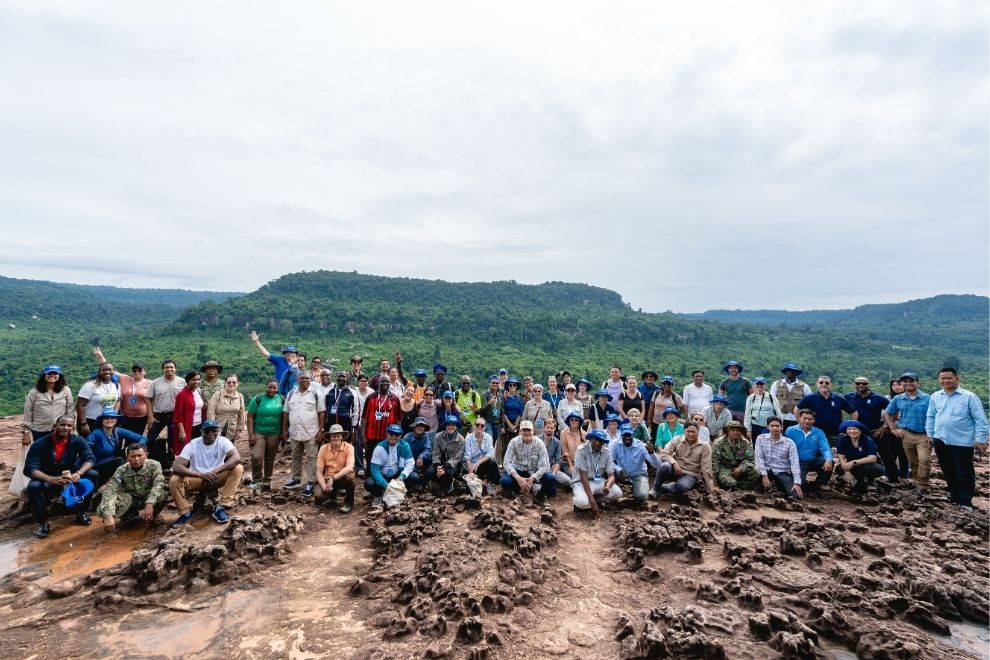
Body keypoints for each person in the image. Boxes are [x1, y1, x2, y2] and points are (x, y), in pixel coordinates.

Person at [24, 416, 99, 537]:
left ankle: (81, 512)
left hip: (70, 474)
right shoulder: (40, 444)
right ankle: (42, 523)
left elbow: (90, 459)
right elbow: (30, 468)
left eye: (69, 426)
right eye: (62, 425)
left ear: (73, 428)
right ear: (55, 427)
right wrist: (50, 479)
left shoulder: (78, 440)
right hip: (47, 475)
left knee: (92, 474)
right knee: (33, 487)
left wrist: (79, 473)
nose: (66, 428)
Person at [926, 367, 989, 512]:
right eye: (942, 378)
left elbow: (980, 420)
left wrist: (980, 439)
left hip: (962, 441)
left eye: (949, 378)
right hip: (940, 439)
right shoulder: (935, 396)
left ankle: (966, 501)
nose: (945, 381)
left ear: (957, 378)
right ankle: (954, 496)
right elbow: (931, 416)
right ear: (939, 379)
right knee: (947, 469)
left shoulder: (969, 397)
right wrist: (930, 434)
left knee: (964, 471)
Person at [170, 420, 243, 526]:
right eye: (207, 431)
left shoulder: (223, 441)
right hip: (197, 479)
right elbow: (177, 467)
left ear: (218, 431)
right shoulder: (193, 444)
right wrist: (200, 475)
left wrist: (215, 471)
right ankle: (185, 513)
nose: (211, 433)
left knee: (238, 468)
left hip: (216, 477)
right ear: (201, 432)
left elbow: (236, 458)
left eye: (214, 430)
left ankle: (221, 507)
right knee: (174, 479)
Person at [97, 444, 168, 532]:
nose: (136, 459)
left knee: (162, 495)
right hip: (130, 500)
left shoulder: (154, 465)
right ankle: (129, 516)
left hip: (147, 497)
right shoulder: (121, 470)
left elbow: (159, 484)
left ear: (146, 455)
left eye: (139, 455)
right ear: (127, 457)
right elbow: (110, 490)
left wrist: (150, 503)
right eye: (133, 456)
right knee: (105, 505)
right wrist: (108, 515)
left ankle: (153, 515)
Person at [281, 372, 326, 495]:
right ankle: (296, 479)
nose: (304, 380)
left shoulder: (316, 394)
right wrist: (284, 429)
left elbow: (322, 413)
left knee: (312, 457)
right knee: (295, 455)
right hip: (295, 432)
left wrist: (320, 431)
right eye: (302, 378)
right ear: (297, 380)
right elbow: (286, 412)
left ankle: (311, 482)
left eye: (307, 378)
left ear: (311, 380)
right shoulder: (291, 394)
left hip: (311, 432)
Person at [882, 371, 929, 487]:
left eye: (911, 381)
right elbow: (887, 413)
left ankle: (923, 485)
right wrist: (893, 428)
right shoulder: (898, 399)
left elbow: (935, 415)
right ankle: (919, 485)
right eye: (905, 381)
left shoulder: (928, 398)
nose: (908, 383)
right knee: (912, 462)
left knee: (924, 460)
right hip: (906, 434)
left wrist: (932, 434)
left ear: (918, 383)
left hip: (924, 434)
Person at [92, 348, 150, 435]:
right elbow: (109, 370)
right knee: (121, 436)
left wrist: (151, 417)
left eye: (139, 370)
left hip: (142, 418)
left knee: (136, 437)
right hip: (124, 416)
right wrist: (101, 357)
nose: (136, 372)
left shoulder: (150, 383)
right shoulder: (124, 378)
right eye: (134, 370)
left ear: (144, 371)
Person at [652, 422, 717, 496]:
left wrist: (710, 486)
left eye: (693, 432)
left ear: (698, 432)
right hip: (676, 469)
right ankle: (655, 488)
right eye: (688, 431)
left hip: (691, 474)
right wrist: (674, 463)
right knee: (664, 466)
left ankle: (667, 487)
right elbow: (664, 453)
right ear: (684, 431)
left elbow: (706, 467)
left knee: (682, 487)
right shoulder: (677, 439)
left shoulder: (705, 446)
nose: (691, 434)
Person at [87, 407, 146, 486]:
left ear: (116, 420)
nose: (109, 420)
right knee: (119, 460)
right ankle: (132, 481)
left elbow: (142, 438)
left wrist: (137, 447)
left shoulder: (118, 431)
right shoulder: (96, 434)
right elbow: (85, 451)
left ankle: (138, 475)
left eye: (112, 418)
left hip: (112, 460)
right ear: (101, 421)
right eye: (106, 418)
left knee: (133, 450)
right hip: (98, 466)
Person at [144, 359, 185, 469]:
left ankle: (170, 464)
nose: (169, 369)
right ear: (163, 369)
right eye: (166, 367)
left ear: (175, 369)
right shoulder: (155, 382)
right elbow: (148, 398)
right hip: (158, 415)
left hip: (175, 416)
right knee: (150, 439)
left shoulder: (182, 382)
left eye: (171, 367)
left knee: (173, 441)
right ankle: (148, 462)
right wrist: (150, 416)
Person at [500, 420, 556, 500]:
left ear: (533, 431)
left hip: (534, 471)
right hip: (518, 469)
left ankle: (540, 496)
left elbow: (545, 465)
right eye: (524, 430)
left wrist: (533, 477)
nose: (526, 432)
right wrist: (518, 478)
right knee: (504, 481)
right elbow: (506, 462)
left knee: (550, 478)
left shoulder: (539, 444)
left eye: (529, 430)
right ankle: (519, 489)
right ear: (520, 432)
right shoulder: (513, 442)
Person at [572, 429, 621, 514]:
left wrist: (607, 486)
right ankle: (579, 504)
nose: (598, 442)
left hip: (597, 480)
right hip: (581, 482)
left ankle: (596, 499)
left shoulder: (606, 452)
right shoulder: (581, 450)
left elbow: (611, 476)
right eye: (595, 439)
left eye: (600, 440)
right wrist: (592, 503)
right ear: (591, 439)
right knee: (582, 502)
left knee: (617, 493)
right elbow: (583, 477)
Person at [785, 409, 834, 494]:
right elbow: (785, 447)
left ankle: (821, 483)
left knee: (829, 462)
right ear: (799, 418)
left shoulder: (818, 432)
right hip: (798, 462)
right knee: (802, 484)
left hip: (813, 460)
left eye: (810, 419)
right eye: (805, 418)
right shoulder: (790, 430)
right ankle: (806, 485)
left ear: (814, 420)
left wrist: (829, 459)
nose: (807, 421)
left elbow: (825, 448)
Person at [365, 424, 415, 508]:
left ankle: (402, 492)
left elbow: (410, 463)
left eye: (397, 434)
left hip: (397, 475)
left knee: (414, 477)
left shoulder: (404, 445)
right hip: (383, 475)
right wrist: (385, 485)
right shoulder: (379, 448)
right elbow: (375, 469)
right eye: (391, 434)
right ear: (387, 434)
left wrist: (401, 477)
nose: (393, 436)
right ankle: (379, 494)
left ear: (400, 436)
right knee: (369, 483)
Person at [796, 376, 858, 442]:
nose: (824, 384)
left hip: (836, 435)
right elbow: (797, 409)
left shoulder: (839, 398)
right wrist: (801, 424)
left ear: (831, 385)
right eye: (821, 382)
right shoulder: (810, 398)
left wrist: (849, 428)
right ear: (817, 384)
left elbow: (854, 413)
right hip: (815, 435)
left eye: (827, 383)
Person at [754, 417, 803, 499]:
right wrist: (764, 475)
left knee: (796, 496)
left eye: (777, 426)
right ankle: (764, 485)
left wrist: (797, 483)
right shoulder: (761, 438)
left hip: (781, 471)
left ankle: (777, 486)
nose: (775, 428)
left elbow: (795, 463)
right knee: (753, 477)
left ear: (782, 427)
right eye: (772, 426)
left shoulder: (789, 443)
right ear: (768, 427)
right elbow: (759, 458)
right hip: (765, 470)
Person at [22, 365, 74, 443]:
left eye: (55, 373)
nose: (52, 376)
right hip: (40, 429)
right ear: (44, 375)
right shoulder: (34, 392)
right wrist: (26, 433)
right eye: (49, 373)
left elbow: (70, 408)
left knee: (60, 450)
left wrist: (70, 426)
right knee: (42, 450)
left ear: (59, 376)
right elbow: (28, 411)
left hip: (60, 429)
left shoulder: (66, 390)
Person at [246, 379, 283, 486]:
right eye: (269, 387)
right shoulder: (257, 399)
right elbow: (250, 417)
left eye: (274, 387)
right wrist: (251, 434)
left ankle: (267, 479)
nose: (272, 389)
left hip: (274, 432)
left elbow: (284, 416)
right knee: (257, 456)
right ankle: (257, 480)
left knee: (270, 456)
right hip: (258, 432)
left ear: (277, 389)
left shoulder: (281, 399)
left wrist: (283, 432)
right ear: (266, 387)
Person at [610, 424, 660, 504]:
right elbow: (609, 462)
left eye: (629, 435)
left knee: (642, 496)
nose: (627, 438)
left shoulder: (641, 446)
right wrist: (620, 470)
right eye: (625, 435)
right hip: (621, 475)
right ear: (620, 435)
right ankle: (614, 490)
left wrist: (651, 452)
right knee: (604, 471)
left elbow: (658, 465)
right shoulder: (614, 444)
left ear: (633, 435)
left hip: (638, 475)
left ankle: (635, 489)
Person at [834, 420, 886, 494]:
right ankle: (855, 481)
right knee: (839, 468)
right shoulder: (842, 440)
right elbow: (841, 457)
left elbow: (872, 458)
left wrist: (853, 462)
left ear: (860, 430)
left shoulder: (867, 440)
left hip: (872, 466)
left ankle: (871, 483)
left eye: (854, 429)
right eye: (849, 429)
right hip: (854, 467)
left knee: (867, 467)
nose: (852, 431)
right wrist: (847, 472)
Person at [362, 377, 401, 471]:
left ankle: (383, 479)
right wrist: (363, 435)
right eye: (382, 381)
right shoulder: (370, 398)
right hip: (372, 436)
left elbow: (398, 419)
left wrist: (398, 435)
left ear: (390, 383)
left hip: (388, 437)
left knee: (386, 461)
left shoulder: (395, 399)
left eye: (387, 381)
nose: (385, 383)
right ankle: (370, 477)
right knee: (371, 460)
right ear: (378, 383)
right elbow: (364, 418)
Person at [315, 425, 356, 513]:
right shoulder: (323, 448)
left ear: (342, 437)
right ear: (330, 437)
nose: (336, 438)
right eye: (333, 436)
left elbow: (349, 468)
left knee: (349, 478)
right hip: (328, 478)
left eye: (338, 436)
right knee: (318, 496)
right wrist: (324, 486)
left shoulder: (349, 447)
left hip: (342, 477)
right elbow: (318, 472)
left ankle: (348, 503)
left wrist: (333, 478)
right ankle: (332, 498)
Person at [76, 362, 121, 436]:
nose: (107, 372)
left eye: (110, 370)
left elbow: (118, 401)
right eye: (104, 370)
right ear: (99, 372)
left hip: (107, 421)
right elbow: (79, 405)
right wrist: (83, 423)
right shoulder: (91, 385)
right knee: (88, 442)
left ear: (114, 371)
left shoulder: (116, 385)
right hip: (90, 421)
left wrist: (114, 415)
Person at [712, 421, 759, 490]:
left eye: (738, 430)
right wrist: (714, 481)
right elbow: (714, 463)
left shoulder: (744, 442)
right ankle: (733, 487)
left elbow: (751, 459)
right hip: (724, 469)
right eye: (733, 430)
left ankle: (739, 488)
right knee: (729, 482)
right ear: (728, 431)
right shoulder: (718, 443)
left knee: (756, 471)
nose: (736, 432)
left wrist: (741, 468)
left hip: (739, 468)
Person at [429, 415, 467, 496]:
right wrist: (438, 466)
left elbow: (457, 457)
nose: (451, 427)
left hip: (453, 465)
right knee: (429, 472)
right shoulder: (438, 436)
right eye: (448, 424)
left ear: (456, 426)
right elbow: (435, 453)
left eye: (453, 425)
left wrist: (445, 467)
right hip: (440, 463)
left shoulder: (461, 439)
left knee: (448, 472)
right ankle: (439, 483)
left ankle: (450, 484)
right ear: (445, 426)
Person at [464, 418, 501, 495]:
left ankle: (488, 482)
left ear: (485, 427)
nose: (479, 426)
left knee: (492, 462)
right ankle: (483, 483)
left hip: (483, 463)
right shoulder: (468, 438)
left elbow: (490, 453)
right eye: (477, 425)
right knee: (469, 487)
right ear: (474, 426)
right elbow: (467, 456)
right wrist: (470, 470)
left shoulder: (488, 437)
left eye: (482, 425)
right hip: (472, 464)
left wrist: (478, 463)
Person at [172, 371, 204, 459]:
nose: (196, 382)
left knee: (196, 449)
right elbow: (177, 415)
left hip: (198, 425)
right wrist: (182, 431)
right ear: (188, 381)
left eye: (198, 379)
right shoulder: (182, 395)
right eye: (193, 380)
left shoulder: (198, 392)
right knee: (185, 449)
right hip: (186, 427)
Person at [771, 362, 812, 430]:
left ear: (796, 372)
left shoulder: (804, 386)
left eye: (793, 370)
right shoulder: (776, 384)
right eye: (788, 370)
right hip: (780, 418)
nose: (790, 372)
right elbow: (772, 401)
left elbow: (809, 403)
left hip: (796, 419)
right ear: (785, 372)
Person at [208, 374, 245, 442]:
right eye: (229, 382)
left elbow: (241, 415)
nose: (231, 384)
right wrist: (212, 428)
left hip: (231, 431)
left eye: (234, 382)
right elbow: (211, 412)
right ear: (225, 383)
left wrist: (238, 430)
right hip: (217, 430)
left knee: (229, 448)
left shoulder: (240, 396)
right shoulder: (218, 394)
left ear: (237, 384)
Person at [538, 418, 570, 492]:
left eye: (552, 428)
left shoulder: (557, 442)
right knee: (538, 490)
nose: (549, 430)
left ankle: (551, 483)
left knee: (568, 481)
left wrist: (553, 474)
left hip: (549, 469)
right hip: (536, 469)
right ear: (543, 428)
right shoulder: (537, 440)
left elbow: (557, 461)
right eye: (547, 427)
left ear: (555, 429)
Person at [403, 417, 433, 489]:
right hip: (408, 464)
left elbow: (428, 449)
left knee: (430, 458)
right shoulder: (407, 438)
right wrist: (414, 467)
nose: (420, 428)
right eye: (418, 426)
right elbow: (404, 457)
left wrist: (421, 456)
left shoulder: (426, 435)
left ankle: (425, 479)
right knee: (414, 477)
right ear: (414, 427)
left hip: (420, 461)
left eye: (422, 426)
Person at [500, 378, 525, 462]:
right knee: (505, 445)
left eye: (514, 385)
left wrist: (515, 424)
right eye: (510, 385)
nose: (512, 386)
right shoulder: (504, 398)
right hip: (506, 424)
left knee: (515, 445)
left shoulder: (519, 398)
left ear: (516, 387)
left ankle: (514, 463)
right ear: (508, 386)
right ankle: (504, 463)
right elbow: (503, 411)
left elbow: (520, 412)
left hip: (516, 424)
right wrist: (509, 424)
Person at [559, 413, 585, 478]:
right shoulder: (563, 433)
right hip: (567, 463)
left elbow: (586, 451)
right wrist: (571, 466)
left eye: (576, 420)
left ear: (579, 422)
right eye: (572, 420)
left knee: (586, 475)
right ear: (569, 422)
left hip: (582, 463)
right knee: (574, 475)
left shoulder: (584, 434)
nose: (574, 421)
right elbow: (565, 452)